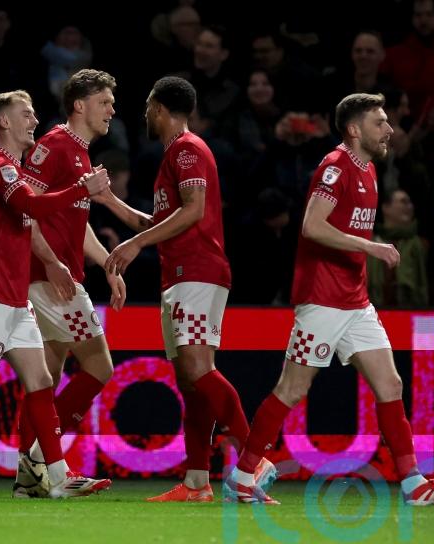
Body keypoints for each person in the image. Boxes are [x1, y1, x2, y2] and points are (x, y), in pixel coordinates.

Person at [225, 93, 434, 506]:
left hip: (355, 302)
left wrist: (363, 253)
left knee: (391, 383)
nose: (389, 129)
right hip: (321, 300)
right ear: (355, 129)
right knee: (292, 388)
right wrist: (371, 247)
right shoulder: (335, 166)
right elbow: (312, 226)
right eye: (380, 122)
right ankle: (242, 477)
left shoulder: (369, 169)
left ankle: (413, 485)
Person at [95, 76, 275, 502]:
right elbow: (160, 225)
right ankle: (197, 482)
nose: (143, 114)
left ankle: (254, 458)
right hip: (179, 273)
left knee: (198, 370)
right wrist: (109, 202)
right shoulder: (173, 155)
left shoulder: (188, 149)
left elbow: (193, 212)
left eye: (146, 106)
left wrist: (136, 243)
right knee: (191, 382)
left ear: (159, 107)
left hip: (198, 271)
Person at [0, 89, 111, 499]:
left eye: (33, 114)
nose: (33, 120)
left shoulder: (3, 169)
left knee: (41, 379)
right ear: (4, 122)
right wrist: (83, 188)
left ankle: (59, 477)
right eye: (25, 114)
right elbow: (35, 205)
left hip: (14, 298)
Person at [12, 69, 126, 497]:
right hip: (49, 281)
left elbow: (75, 224)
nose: (112, 109)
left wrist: (108, 265)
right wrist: (53, 263)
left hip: (56, 277)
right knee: (100, 366)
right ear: (80, 105)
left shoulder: (79, 153)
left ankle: (29, 479)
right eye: (104, 102)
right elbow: (26, 211)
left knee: (48, 377)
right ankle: (45, 461)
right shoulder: (56, 145)